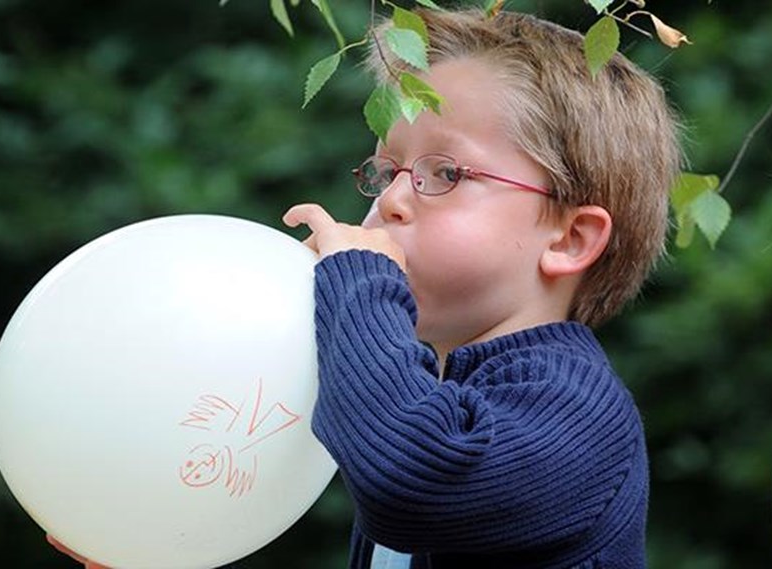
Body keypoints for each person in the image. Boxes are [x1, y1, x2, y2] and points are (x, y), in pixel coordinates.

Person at [280, 8, 681, 568]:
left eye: (446, 173)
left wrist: (358, 284)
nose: (390, 200)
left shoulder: (579, 410)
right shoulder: (422, 397)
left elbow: (408, 478)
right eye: (387, 171)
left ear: (570, 239)